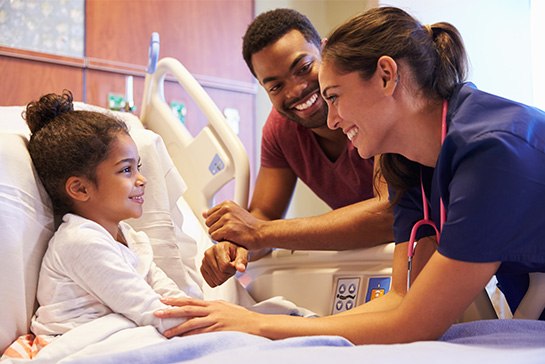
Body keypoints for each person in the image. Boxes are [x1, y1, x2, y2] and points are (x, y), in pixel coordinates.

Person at [155, 6, 545, 344]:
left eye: (335, 96)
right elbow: (399, 300)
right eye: (274, 85)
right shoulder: (408, 162)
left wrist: (259, 325)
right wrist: (287, 326)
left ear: (386, 76)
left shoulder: (490, 152)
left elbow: (416, 323)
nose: (333, 118)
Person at [200, 8, 394, 287]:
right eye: (276, 86)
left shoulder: (373, 102)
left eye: (304, 68)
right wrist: (236, 245)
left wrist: (260, 232)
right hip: (372, 262)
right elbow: (263, 214)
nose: (295, 90)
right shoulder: (281, 131)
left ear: (325, 51)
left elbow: (388, 213)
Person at [24, 91, 194, 338]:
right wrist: (221, 325)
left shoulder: (129, 237)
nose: (142, 179)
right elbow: (153, 312)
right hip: (81, 344)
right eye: (127, 169)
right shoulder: (80, 242)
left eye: (139, 167)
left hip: (122, 335)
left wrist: (210, 313)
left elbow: (170, 296)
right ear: (80, 188)